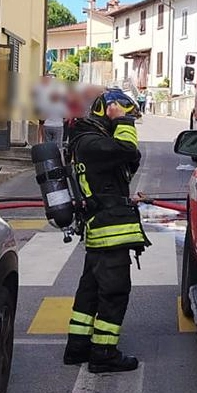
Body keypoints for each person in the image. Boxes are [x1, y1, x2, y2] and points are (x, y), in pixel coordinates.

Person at [62, 88, 150, 373]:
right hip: (111, 231)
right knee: (114, 292)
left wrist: (126, 198)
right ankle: (103, 353)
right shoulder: (91, 143)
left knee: (90, 291)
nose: (126, 123)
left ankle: (78, 348)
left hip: (102, 227)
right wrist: (123, 122)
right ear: (107, 111)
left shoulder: (88, 141)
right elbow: (127, 150)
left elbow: (120, 168)